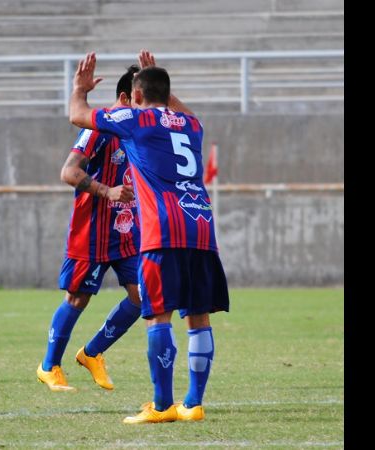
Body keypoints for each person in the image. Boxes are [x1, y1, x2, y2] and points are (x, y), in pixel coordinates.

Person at [68, 50, 230, 424]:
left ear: (136, 95)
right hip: (201, 226)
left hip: (162, 230)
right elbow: (178, 108)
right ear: (168, 93)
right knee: (199, 318)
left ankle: (161, 407)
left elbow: (78, 115)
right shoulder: (192, 125)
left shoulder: (137, 118)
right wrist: (157, 82)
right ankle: (194, 403)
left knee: (157, 317)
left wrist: (80, 88)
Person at [37, 66, 143, 392]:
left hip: (125, 231)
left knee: (143, 296)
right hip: (93, 230)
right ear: (124, 98)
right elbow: (68, 172)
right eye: (141, 101)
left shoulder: (142, 131)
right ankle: (49, 366)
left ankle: (93, 353)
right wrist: (106, 191)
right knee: (77, 298)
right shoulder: (99, 129)